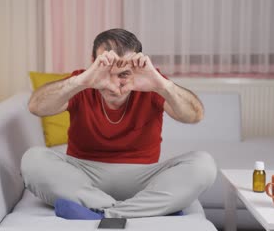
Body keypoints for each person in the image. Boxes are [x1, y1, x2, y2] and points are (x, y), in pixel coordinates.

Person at [21, 28, 217, 220]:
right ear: (94, 63)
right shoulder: (82, 81)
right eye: (107, 72)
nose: (114, 84)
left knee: (204, 164)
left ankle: (103, 212)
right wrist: (82, 80)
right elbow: (36, 107)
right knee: (32, 159)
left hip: (143, 177)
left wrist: (161, 84)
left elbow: (195, 116)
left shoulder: (151, 83)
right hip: (84, 175)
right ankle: (149, 209)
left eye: (123, 74)